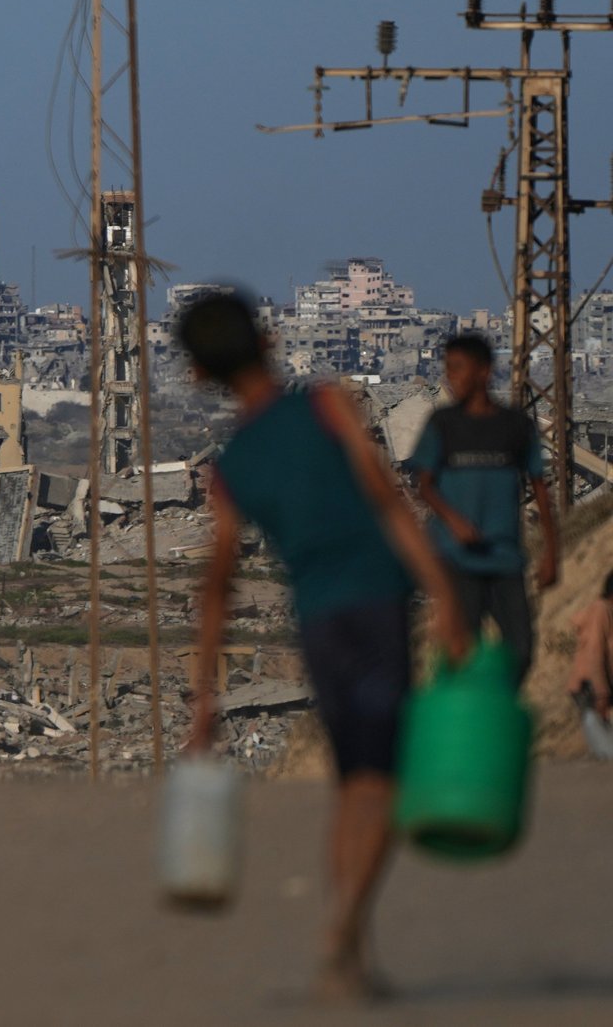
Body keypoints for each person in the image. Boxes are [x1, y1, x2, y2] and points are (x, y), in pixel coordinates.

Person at [179, 293, 468, 1001]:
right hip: (372, 608)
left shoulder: (231, 464)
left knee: (353, 785)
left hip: (316, 623)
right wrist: (446, 594)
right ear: (271, 338)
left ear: (196, 373)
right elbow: (387, 503)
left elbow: (218, 582)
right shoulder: (329, 406)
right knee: (383, 784)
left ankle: (350, 964)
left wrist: (204, 697)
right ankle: (341, 927)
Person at [410, 334, 559, 684]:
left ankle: (497, 706)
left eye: (458, 369)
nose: (451, 377)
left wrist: (552, 552)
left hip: (505, 558)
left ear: (484, 372)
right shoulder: (442, 425)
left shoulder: (516, 427)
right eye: (448, 369)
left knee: (521, 650)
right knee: (463, 652)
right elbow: (425, 486)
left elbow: (540, 488)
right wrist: (454, 522)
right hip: (458, 562)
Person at [569, 570, 613, 720]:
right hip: (590, 688)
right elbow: (594, 652)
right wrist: (601, 693)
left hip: (599, 686)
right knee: (604, 742)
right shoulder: (601, 609)